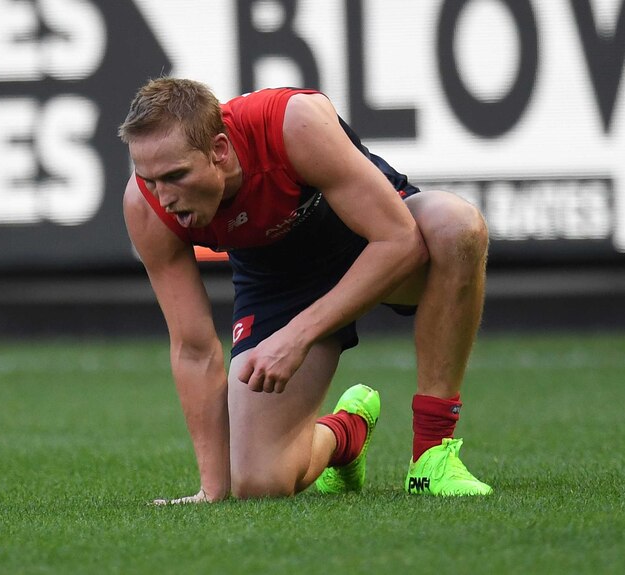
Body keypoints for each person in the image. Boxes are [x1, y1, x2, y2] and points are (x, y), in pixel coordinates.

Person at [119, 77, 492, 503]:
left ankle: (431, 457)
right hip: (279, 282)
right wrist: (213, 490)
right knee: (259, 484)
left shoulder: (292, 123)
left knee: (457, 227)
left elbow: (399, 241)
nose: (163, 197)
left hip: (371, 238)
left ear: (219, 151)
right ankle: (346, 435)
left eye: (176, 176)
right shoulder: (145, 207)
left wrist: (297, 337)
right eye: (149, 179)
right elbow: (193, 348)